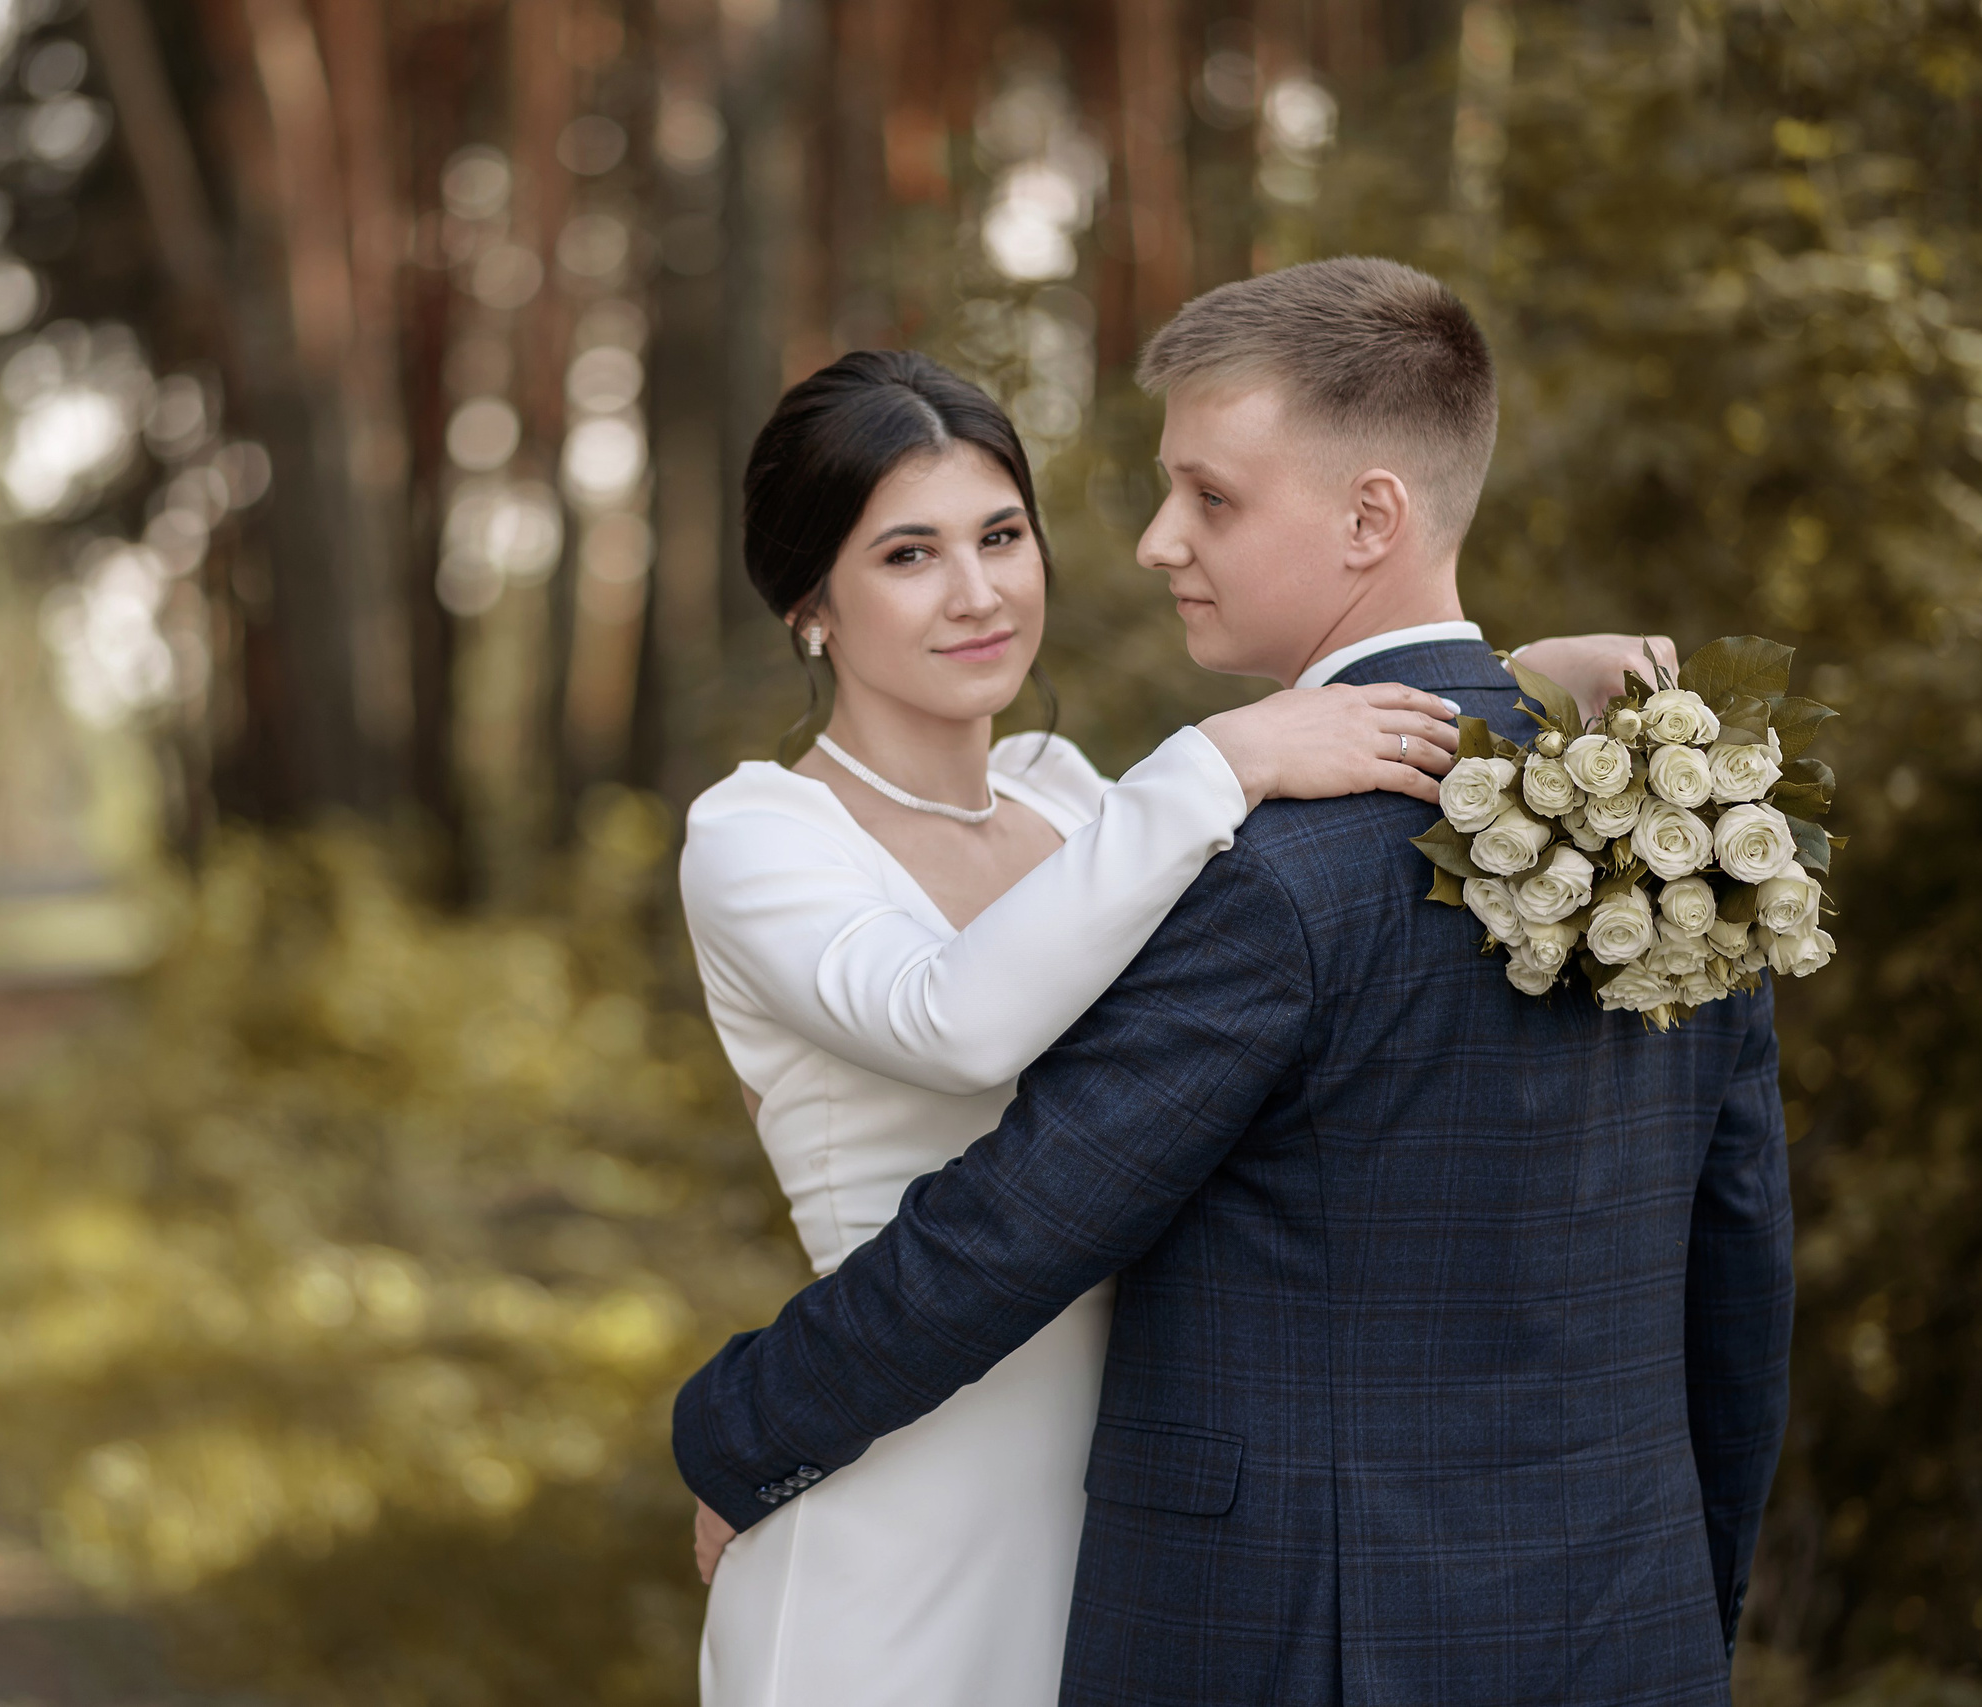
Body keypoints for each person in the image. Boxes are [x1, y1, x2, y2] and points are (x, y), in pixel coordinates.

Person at [676, 336, 1692, 1707]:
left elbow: (1263, 904)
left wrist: (1500, 685)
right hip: (900, 1498)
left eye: (1002, 535)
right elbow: (957, 1020)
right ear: (812, 603)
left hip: (1129, 1530)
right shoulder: (760, 835)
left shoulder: (1069, 800)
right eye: (908, 555)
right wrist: (1218, 753)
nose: (978, 592)